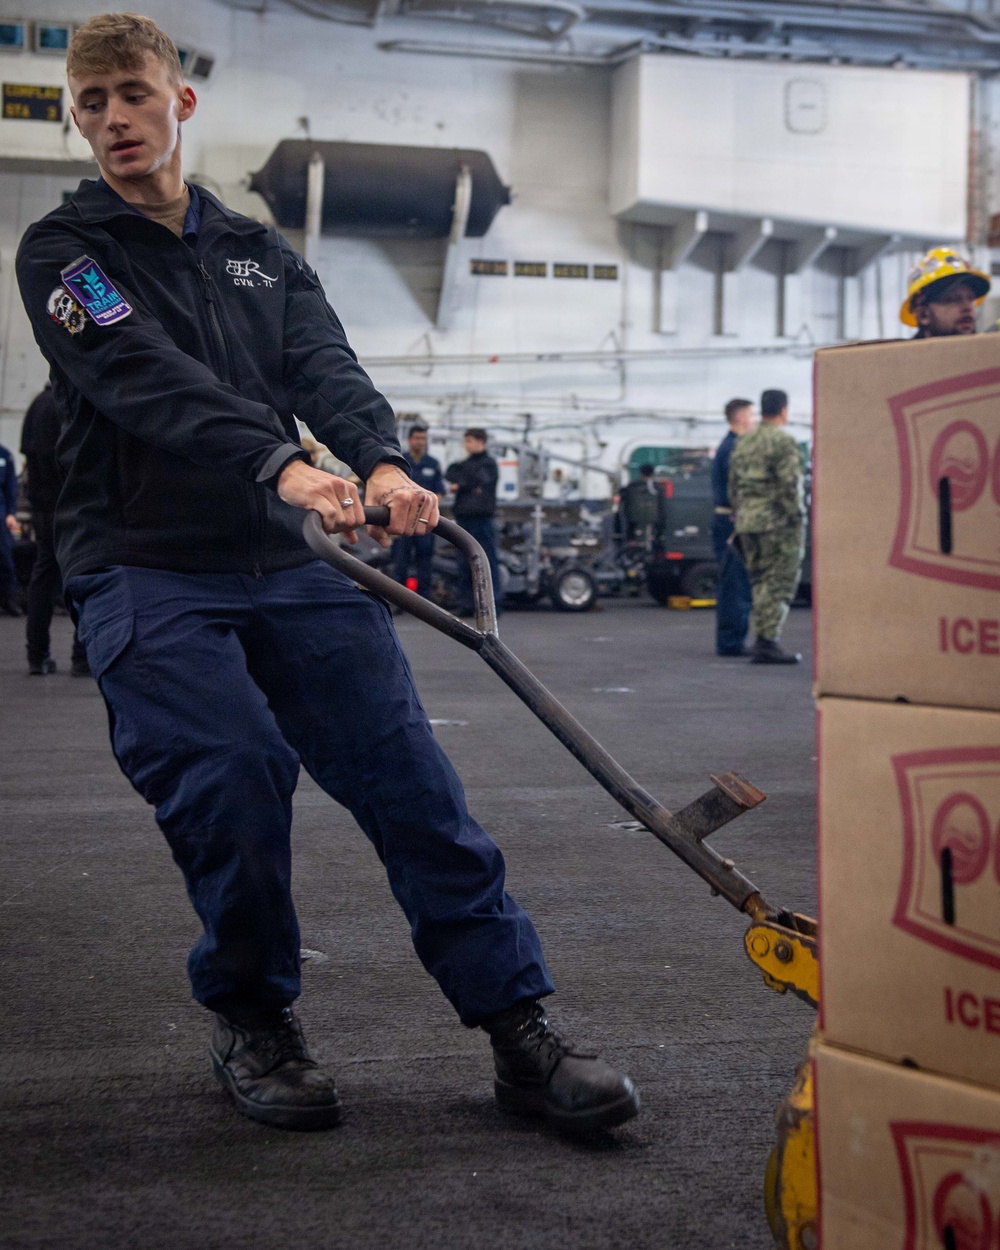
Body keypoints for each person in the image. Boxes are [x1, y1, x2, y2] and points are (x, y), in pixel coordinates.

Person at [16, 13, 638, 1136]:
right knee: (235, 774)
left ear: (179, 103)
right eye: (92, 102)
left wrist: (385, 459)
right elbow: (136, 375)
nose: (113, 119)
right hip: (151, 568)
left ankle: (517, 1027)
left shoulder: (257, 246)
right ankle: (254, 1015)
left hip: (286, 558)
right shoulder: (65, 256)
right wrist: (281, 461)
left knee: (411, 781)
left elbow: (324, 366)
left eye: (132, 94)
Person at [728, 389, 805, 665]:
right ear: (784, 410)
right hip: (777, 523)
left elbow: (733, 485)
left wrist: (741, 514)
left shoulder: (744, 442)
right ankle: (767, 641)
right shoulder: (783, 442)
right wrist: (797, 517)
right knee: (780, 582)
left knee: (759, 581)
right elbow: (789, 485)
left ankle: (763, 639)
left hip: (748, 522)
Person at [20, 381, 91, 675]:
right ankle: (82, 655)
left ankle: (37, 653)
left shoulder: (37, 405)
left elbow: (29, 453)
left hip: (43, 505)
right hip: (69, 503)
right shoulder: (69, 403)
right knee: (84, 573)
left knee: (43, 573)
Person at [711, 399, 755, 657]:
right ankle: (730, 642)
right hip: (731, 521)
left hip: (727, 520)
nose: (754, 420)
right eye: (751, 414)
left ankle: (732, 639)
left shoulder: (729, 446)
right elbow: (737, 489)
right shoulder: (733, 448)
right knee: (735, 584)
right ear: (739, 417)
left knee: (735, 582)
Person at [445, 429, 504, 617]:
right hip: (464, 519)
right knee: (464, 563)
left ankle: (493, 605)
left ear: (481, 442)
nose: (466, 445)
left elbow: (480, 478)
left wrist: (461, 485)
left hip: (482, 520)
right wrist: (469, 485)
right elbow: (451, 473)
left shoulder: (489, 464)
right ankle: (467, 604)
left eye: (469, 441)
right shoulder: (466, 464)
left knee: (486, 562)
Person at [394, 422, 444, 598]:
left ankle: (424, 599)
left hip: (425, 520)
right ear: (409, 440)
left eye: (423, 438)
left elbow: (439, 493)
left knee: (425, 558)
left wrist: (429, 508)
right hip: (402, 518)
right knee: (400, 559)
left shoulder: (433, 463)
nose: (421, 442)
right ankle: (399, 599)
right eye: (417, 438)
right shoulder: (399, 462)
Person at [900, 247, 990, 338]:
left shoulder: (986, 350)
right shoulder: (902, 352)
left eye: (971, 298)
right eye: (952, 299)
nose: (967, 307)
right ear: (923, 315)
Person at [619, 463, 666, 545]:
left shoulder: (632, 486)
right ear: (652, 473)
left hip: (633, 520)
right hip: (655, 520)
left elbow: (623, 499)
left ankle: (631, 543)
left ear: (641, 473)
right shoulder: (658, 487)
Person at [0, 440, 21, 617]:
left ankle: (8, 598)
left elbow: (11, 487)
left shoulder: (4, 455)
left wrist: (11, 513)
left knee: (5, 557)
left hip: (1, 514)